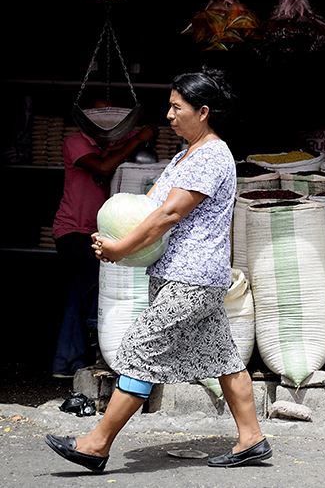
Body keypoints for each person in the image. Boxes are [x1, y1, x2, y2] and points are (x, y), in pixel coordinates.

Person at [45, 67, 271, 472]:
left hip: (192, 278)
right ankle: (252, 439)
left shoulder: (211, 155)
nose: (169, 115)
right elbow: (148, 205)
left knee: (139, 349)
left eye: (176, 107)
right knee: (223, 356)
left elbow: (168, 214)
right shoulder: (186, 155)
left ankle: (96, 444)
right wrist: (112, 233)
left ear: (202, 112)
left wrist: (121, 248)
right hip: (185, 276)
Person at [51, 117, 155, 378]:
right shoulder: (75, 142)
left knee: (79, 294)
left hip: (93, 232)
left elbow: (111, 156)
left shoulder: (107, 145)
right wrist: (138, 140)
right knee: (97, 290)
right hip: (74, 232)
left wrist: (128, 144)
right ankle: (102, 355)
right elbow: (103, 166)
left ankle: (66, 363)